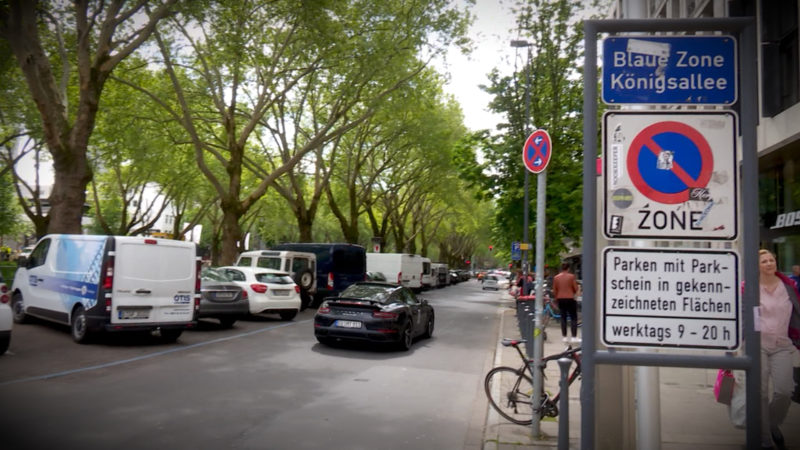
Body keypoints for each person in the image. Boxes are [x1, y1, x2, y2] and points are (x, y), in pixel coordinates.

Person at [757, 249, 800, 449]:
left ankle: (772, 424)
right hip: (759, 346)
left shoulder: (788, 286)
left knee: (785, 391)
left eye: (771, 260)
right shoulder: (750, 287)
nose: (768, 263)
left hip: (783, 345)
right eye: (764, 261)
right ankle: (765, 438)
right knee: (761, 393)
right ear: (757, 266)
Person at [552, 262, 580, 344]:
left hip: (560, 298)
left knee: (563, 317)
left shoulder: (556, 277)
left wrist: (556, 298)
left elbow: (555, 289)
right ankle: (574, 337)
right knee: (573, 317)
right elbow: (575, 288)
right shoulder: (571, 277)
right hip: (570, 298)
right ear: (568, 268)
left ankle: (564, 336)